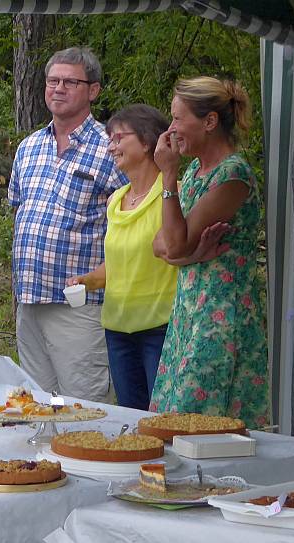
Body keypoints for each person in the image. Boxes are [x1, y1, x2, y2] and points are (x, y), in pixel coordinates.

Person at [66, 105, 229, 410]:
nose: (111, 147)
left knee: (163, 419)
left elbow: (181, 251)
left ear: (146, 142)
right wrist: (86, 281)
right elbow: (118, 265)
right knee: (132, 419)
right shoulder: (116, 200)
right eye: (109, 140)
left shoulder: (174, 193)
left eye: (118, 138)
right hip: (117, 331)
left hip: (161, 329)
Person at [150, 76, 269, 428]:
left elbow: (171, 243)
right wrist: (191, 256)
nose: (171, 129)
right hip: (190, 311)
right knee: (172, 423)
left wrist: (168, 175)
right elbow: (160, 244)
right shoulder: (197, 175)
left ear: (210, 121)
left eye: (176, 118)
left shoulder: (233, 175)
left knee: (197, 423)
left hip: (221, 315)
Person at [9, 47, 127, 401]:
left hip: (79, 304)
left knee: (84, 405)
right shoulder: (29, 147)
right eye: (52, 81)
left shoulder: (113, 148)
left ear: (93, 90)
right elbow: (19, 214)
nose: (58, 89)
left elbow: (134, 222)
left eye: (70, 82)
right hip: (29, 301)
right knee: (35, 406)